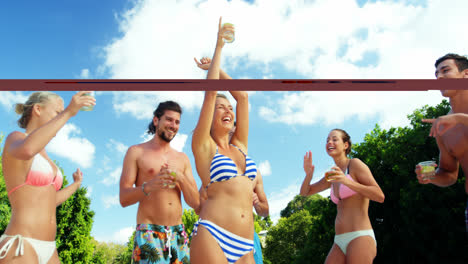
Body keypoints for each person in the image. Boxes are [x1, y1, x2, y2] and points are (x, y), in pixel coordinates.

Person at [190, 17, 257, 264]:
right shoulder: (203, 145)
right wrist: (218, 47)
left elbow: (243, 97)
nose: (228, 110)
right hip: (213, 234)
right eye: (221, 108)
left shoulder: (239, 145)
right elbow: (210, 93)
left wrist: (215, 70)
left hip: (246, 244)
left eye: (229, 107)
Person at [0, 91, 95, 264]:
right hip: (21, 244)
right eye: (57, 112)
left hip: (50, 248)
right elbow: (27, 150)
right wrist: (68, 112)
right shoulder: (16, 138)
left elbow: (49, 200)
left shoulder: (45, 156)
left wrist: (76, 184)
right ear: (37, 109)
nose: (61, 117)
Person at [119, 101, 199, 264]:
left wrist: (181, 178)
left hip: (178, 235)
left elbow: (195, 203)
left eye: (177, 122)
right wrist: (149, 186)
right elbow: (124, 199)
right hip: (149, 234)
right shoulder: (136, 152)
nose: (173, 125)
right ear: (156, 121)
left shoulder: (182, 159)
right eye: (169, 120)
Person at [300, 129, 385, 264]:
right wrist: (308, 174)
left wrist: (347, 181)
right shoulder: (332, 174)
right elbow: (305, 192)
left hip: (360, 236)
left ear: (346, 145)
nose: (329, 142)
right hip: (339, 241)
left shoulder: (355, 164)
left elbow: (379, 196)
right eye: (327, 140)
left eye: (334, 139)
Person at [416, 53, 468, 234]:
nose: (439, 77)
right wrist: (431, 176)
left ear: (465, 74)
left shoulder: (452, 120)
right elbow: (449, 174)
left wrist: (460, 119)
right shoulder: (444, 126)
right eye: (436, 74)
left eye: (446, 70)